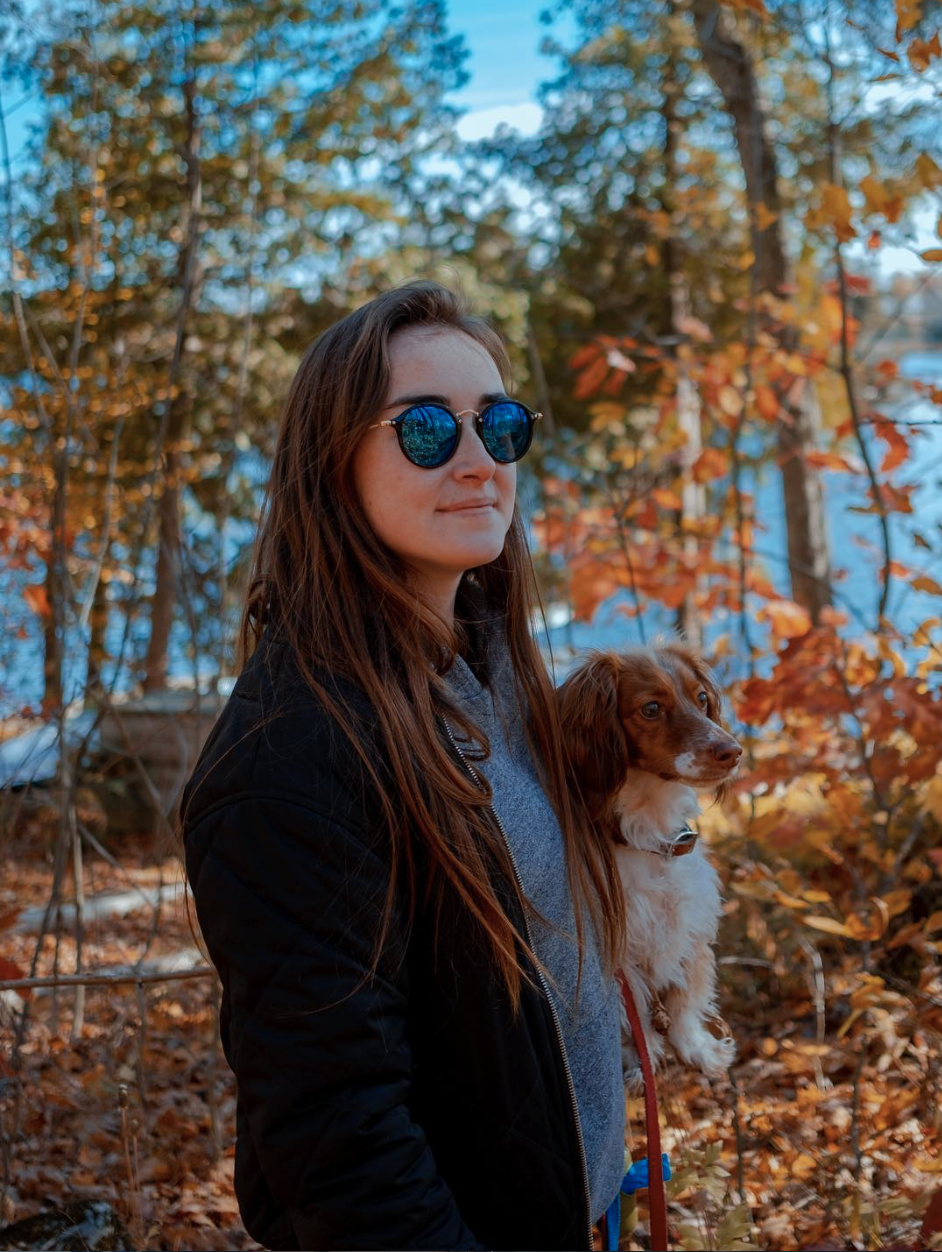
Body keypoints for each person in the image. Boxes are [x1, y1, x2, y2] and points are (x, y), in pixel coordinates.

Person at [181, 280, 627, 1251]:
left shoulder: (492, 679)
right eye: (425, 429)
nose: (479, 461)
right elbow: (336, 1143)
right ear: (331, 463)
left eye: (499, 425)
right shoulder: (291, 761)